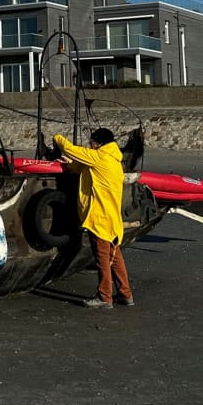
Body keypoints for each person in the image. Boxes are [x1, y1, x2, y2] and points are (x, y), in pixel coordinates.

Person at [53, 127, 134, 309]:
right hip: (112, 219)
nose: (89, 144)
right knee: (115, 258)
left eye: (91, 142)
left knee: (102, 259)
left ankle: (105, 297)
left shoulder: (100, 157)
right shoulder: (112, 160)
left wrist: (58, 138)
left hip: (99, 219)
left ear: (99, 143)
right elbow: (83, 167)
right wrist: (69, 165)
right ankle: (125, 294)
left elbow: (71, 149)